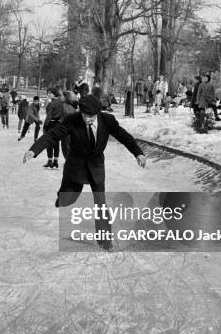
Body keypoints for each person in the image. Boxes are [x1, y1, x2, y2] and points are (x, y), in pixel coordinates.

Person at [23, 94, 146, 251]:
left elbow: (124, 136)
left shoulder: (108, 121)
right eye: (85, 116)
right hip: (76, 167)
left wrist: (138, 153)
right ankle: (62, 197)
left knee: (101, 204)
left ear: (97, 113)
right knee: (68, 199)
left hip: (96, 168)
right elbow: (52, 135)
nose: (88, 119)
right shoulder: (72, 120)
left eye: (92, 117)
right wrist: (34, 150)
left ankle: (104, 241)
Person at [43, 87, 63, 168]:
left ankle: (50, 161)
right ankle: (56, 161)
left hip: (51, 124)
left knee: (49, 143)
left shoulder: (52, 103)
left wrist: (45, 125)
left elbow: (48, 116)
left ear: (54, 94)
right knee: (56, 143)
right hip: (58, 124)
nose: (48, 94)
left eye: (50, 93)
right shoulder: (60, 102)